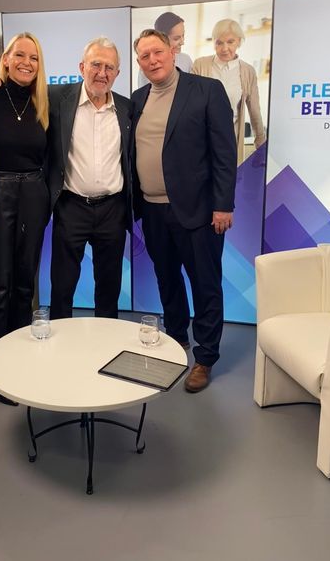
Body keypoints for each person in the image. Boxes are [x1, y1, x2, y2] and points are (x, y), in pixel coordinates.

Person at [132, 29, 237, 392]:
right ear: (139, 63)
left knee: (205, 284)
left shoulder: (206, 90)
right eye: (145, 56)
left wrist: (223, 204)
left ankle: (205, 358)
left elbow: (225, 152)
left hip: (200, 211)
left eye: (158, 52)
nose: (153, 60)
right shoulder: (137, 99)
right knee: (167, 279)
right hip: (152, 210)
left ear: (173, 52)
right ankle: (177, 339)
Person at [48, 37, 131, 320]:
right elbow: (22, 92)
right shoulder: (56, 99)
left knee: (109, 287)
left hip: (112, 210)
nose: (102, 73)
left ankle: (106, 339)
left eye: (109, 67)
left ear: (117, 73)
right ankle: (60, 339)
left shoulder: (127, 108)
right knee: (62, 285)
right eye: (96, 64)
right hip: (71, 207)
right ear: (82, 67)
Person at [0, 33, 49, 355]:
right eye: (19, 55)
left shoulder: (43, 102)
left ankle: (20, 356)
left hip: (34, 193)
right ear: (5, 59)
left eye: (34, 58)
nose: (26, 63)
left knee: (25, 282)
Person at [192, 18, 266, 165]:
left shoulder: (248, 71)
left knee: (229, 178)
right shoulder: (200, 65)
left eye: (230, 42)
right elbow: (190, 106)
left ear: (239, 41)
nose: (224, 48)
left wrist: (261, 145)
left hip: (230, 142)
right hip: (201, 141)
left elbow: (254, 111)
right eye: (219, 43)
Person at [138, 11, 192, 87]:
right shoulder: (149, 65)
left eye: (183, 35)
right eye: (176, 38)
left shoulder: (186, 60)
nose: (182, 42)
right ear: (162, 39)